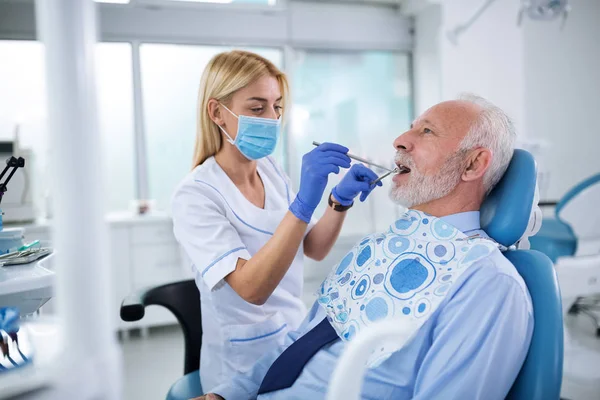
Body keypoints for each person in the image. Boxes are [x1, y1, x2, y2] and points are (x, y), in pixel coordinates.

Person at [198, 94, 534, 400]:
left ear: (473, 164)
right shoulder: (377, 249)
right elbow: (298, 343)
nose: (400, 141)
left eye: (427, 132)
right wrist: (225, 395)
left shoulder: (487, 284)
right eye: (410, 128)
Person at [171, 50, 382, 390]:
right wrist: (301, 205)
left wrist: (338, 201)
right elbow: (252, 289)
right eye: (257, 108)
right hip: (240, 364)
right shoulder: (196, 196)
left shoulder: (270, 171)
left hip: (291, 339)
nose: (271, 118)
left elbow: (312, 247)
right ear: (217, 113)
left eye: (277, 106)